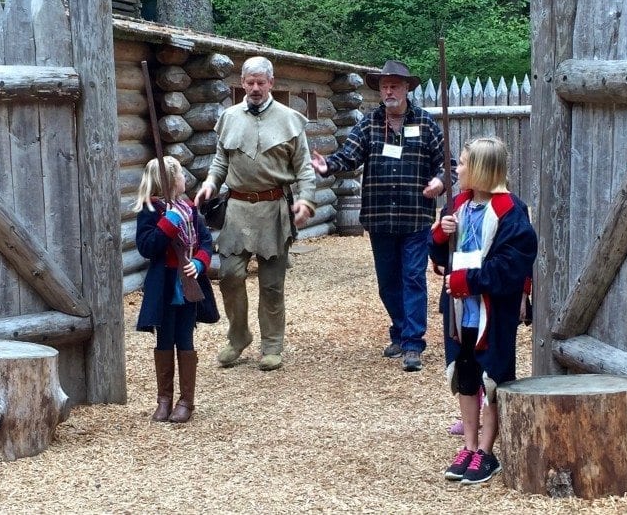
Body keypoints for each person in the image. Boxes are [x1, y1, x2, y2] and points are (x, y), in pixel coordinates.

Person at [311, 60, 450, 372]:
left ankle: (413, 343)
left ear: (407, 89)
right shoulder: (369, 124)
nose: (389, 90)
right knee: (388, 283)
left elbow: (448, 164)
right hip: (380, 218)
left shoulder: (426, 124)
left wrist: (440, 181)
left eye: (395, 85)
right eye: (385, 85)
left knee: (413, 277)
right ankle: (400, 331)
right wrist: (328, 165)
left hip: (416, 217)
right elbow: (348, 156)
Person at [194, 56, 316, 372]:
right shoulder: (229, 117)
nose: (255, 88)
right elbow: (220, 161)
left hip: (274, 210)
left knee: (272, 283)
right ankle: (238, 336)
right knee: (230, 275)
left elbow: (304, 168)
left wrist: (306, 201)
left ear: (271, 83)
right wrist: (210, 184)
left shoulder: (290, 120)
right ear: (243, 83)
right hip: (236, 209)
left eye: (261, 82)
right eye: (250, 82)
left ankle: (272, 346)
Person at [428, 137, 537, 484]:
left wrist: (468, 281)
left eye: (461, 164)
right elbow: (437, 257)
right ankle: (470, 445)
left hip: (493, 311)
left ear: (481, 169)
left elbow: (511, 266)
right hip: (461, 312)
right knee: (465, 374)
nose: (456, 170)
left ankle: (488, 453)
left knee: (492, 377)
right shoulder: (457, 206)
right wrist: (441, 237)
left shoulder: (510, 211)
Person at [134, 156, 213, 423]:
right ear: (168, 181)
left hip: (188, 285)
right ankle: (164, 400)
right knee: (164, 340)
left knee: (185, 339)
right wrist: (168, 222)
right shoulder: (150, 211)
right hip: (164, 286)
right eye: (180, 174)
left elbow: (205, 242)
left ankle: (186, 402)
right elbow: (148, 246)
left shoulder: (189, 209)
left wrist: (200, 264)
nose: (184, 179)